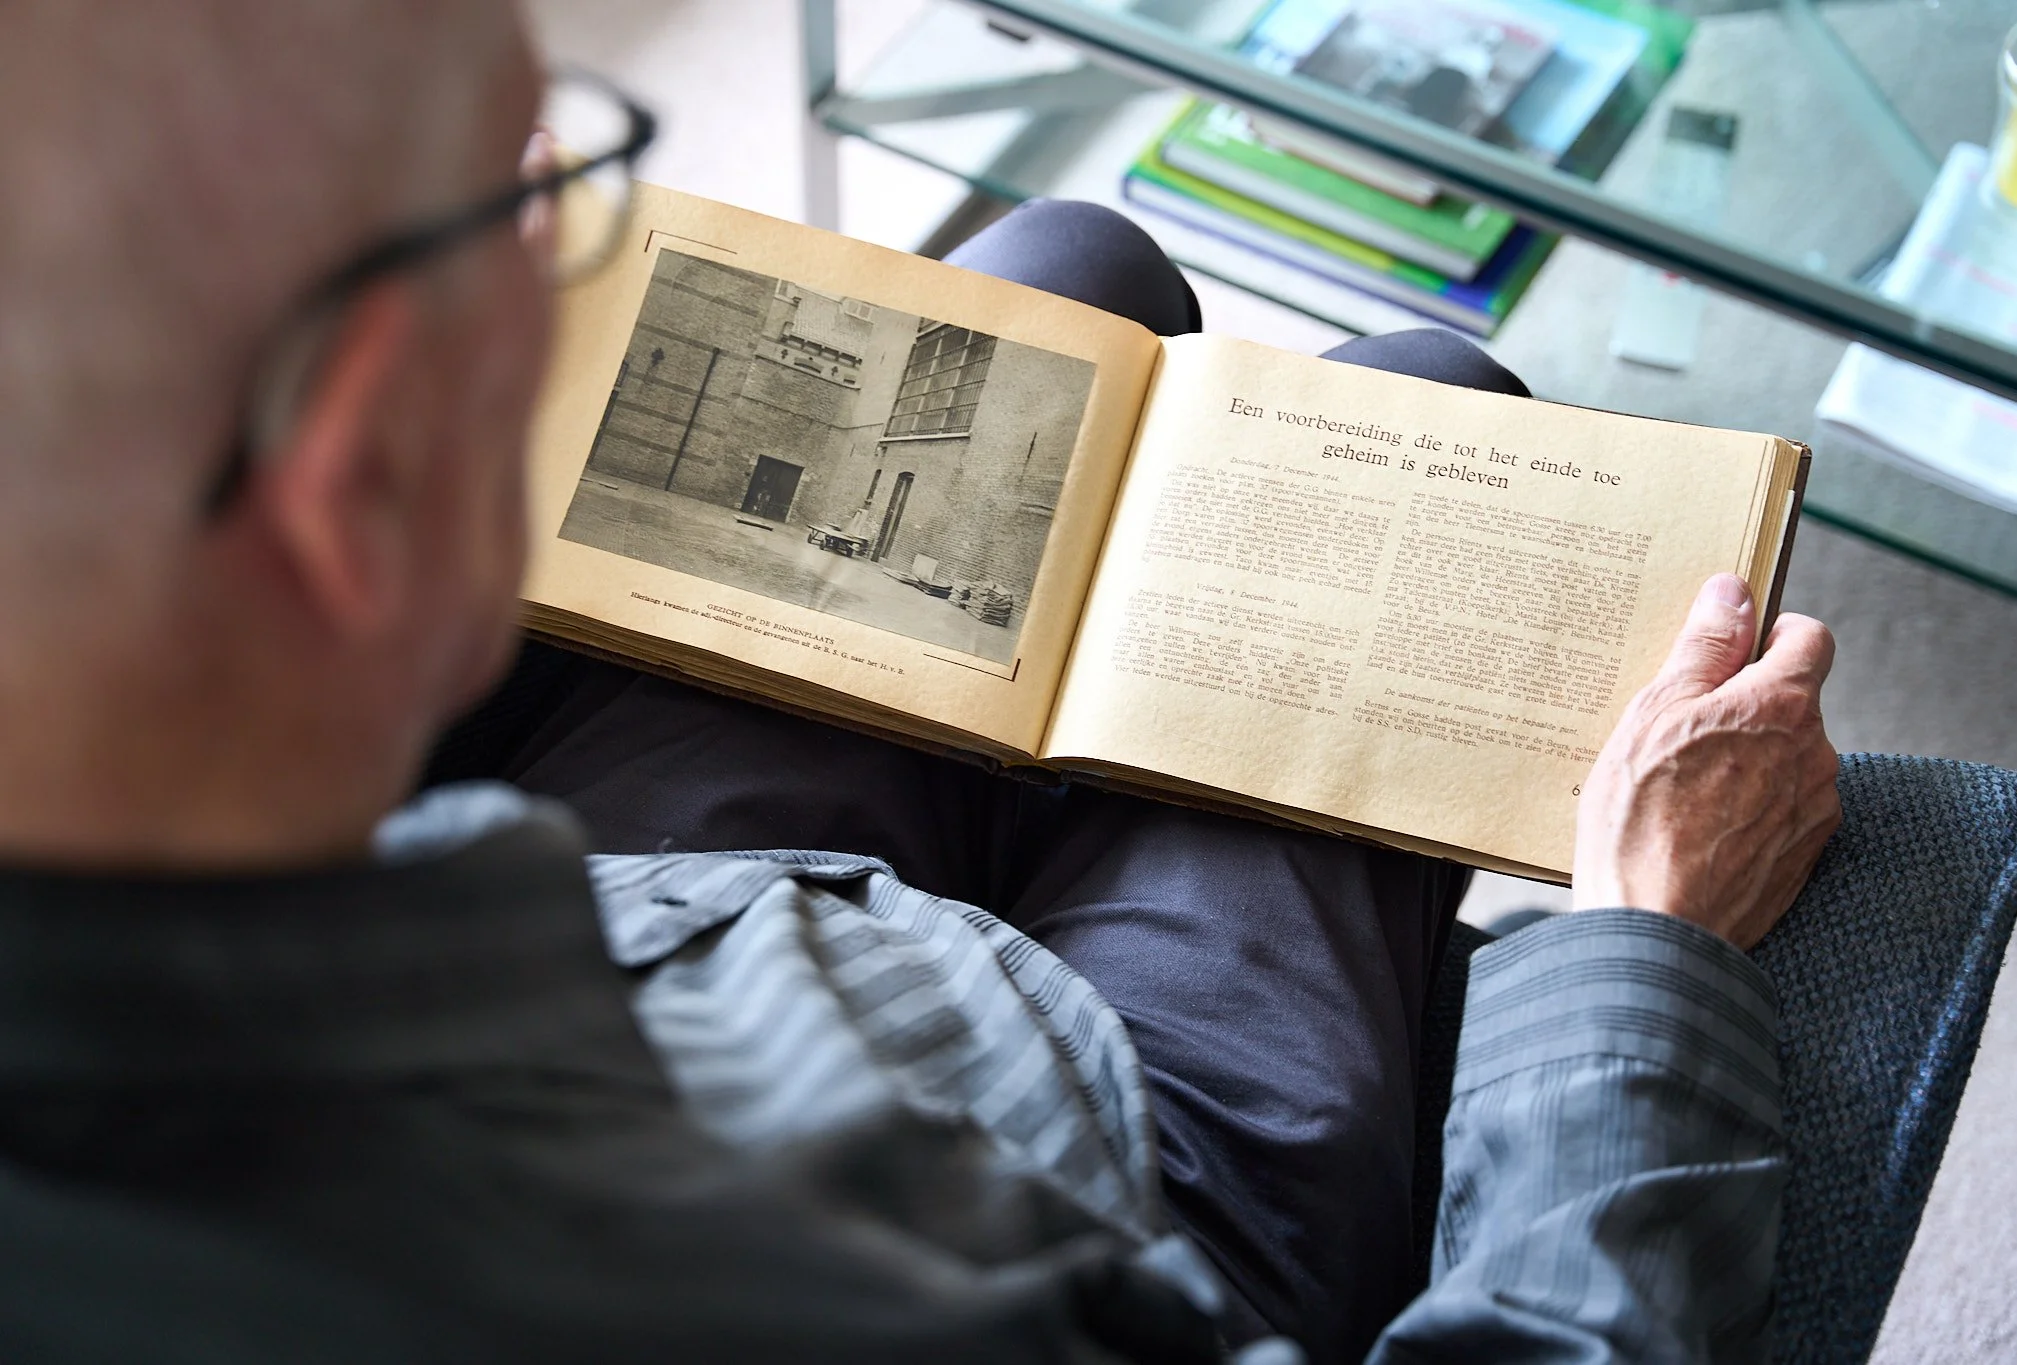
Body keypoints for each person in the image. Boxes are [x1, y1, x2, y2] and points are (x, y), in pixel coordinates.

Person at [0, 2, 1841, 1362]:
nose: (577, 238)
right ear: (357, 483)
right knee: (1422, 397)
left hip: (653, 923)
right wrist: (1644, 953)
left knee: (1065, 270)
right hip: (1115, 1176)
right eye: (533, 197)